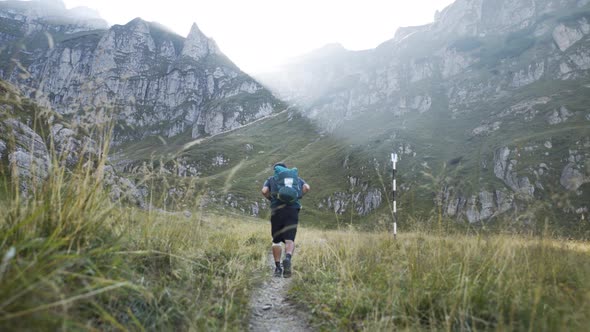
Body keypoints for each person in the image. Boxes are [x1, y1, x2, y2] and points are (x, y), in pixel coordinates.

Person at [261, 162, 310, 278]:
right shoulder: (296, 178)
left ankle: (278, 268)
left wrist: (271, 199)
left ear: (276, 170)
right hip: (292, 210)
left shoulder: (272, 179)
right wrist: (298, 196)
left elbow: (264, 191)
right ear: (286, 170)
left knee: (276, 240)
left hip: (277, 210)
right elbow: (307, 187)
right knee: (290, 239)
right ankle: (287, 258)